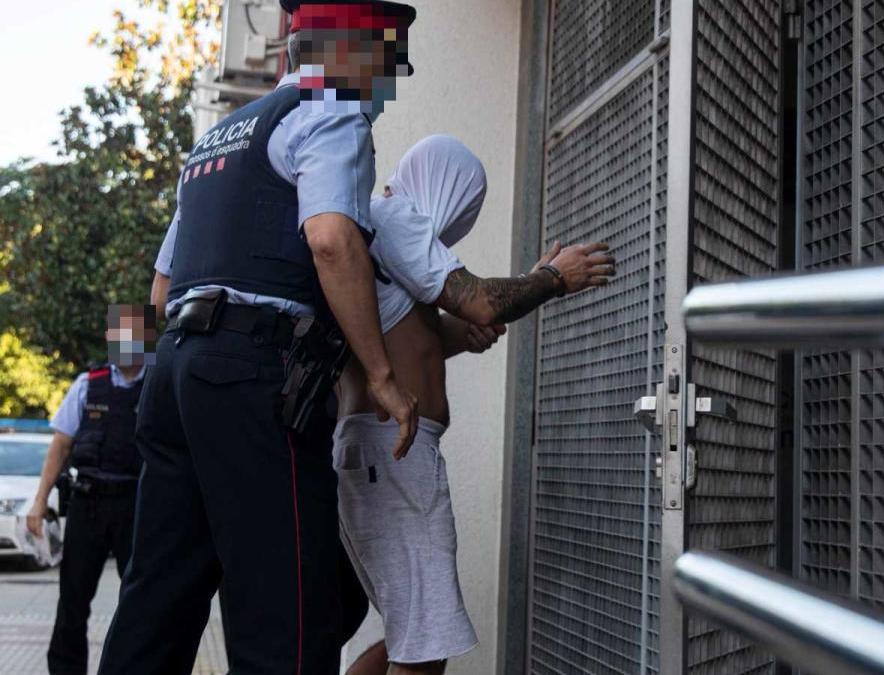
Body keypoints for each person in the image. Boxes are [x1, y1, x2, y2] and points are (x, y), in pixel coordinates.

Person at [99, 2, 420, 673]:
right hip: (250, 373)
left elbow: (162, 289)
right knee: (288, 605)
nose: (388, 86)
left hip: (174, 376)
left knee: (159, 591)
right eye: (388, 64)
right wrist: (382, 375)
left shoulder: (220, 137)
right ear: (349, 51)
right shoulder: (330, 107)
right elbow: (332, 241)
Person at [336, 135, 615, 674]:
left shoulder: (380, 231)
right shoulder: (395, 219)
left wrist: (463, 333)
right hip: (392, 456)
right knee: (422, 648)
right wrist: (554, 279)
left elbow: (413, 336)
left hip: (378, 453)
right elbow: (482, 297)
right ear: (446, 186)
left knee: (413, 637)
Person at [26, 304, 155, 675]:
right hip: (89, 503)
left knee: (141, 600)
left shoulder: (159, 383)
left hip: (138, 504)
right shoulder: (88, 383)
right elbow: (60, 446)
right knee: (73, 600)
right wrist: (39, 502)